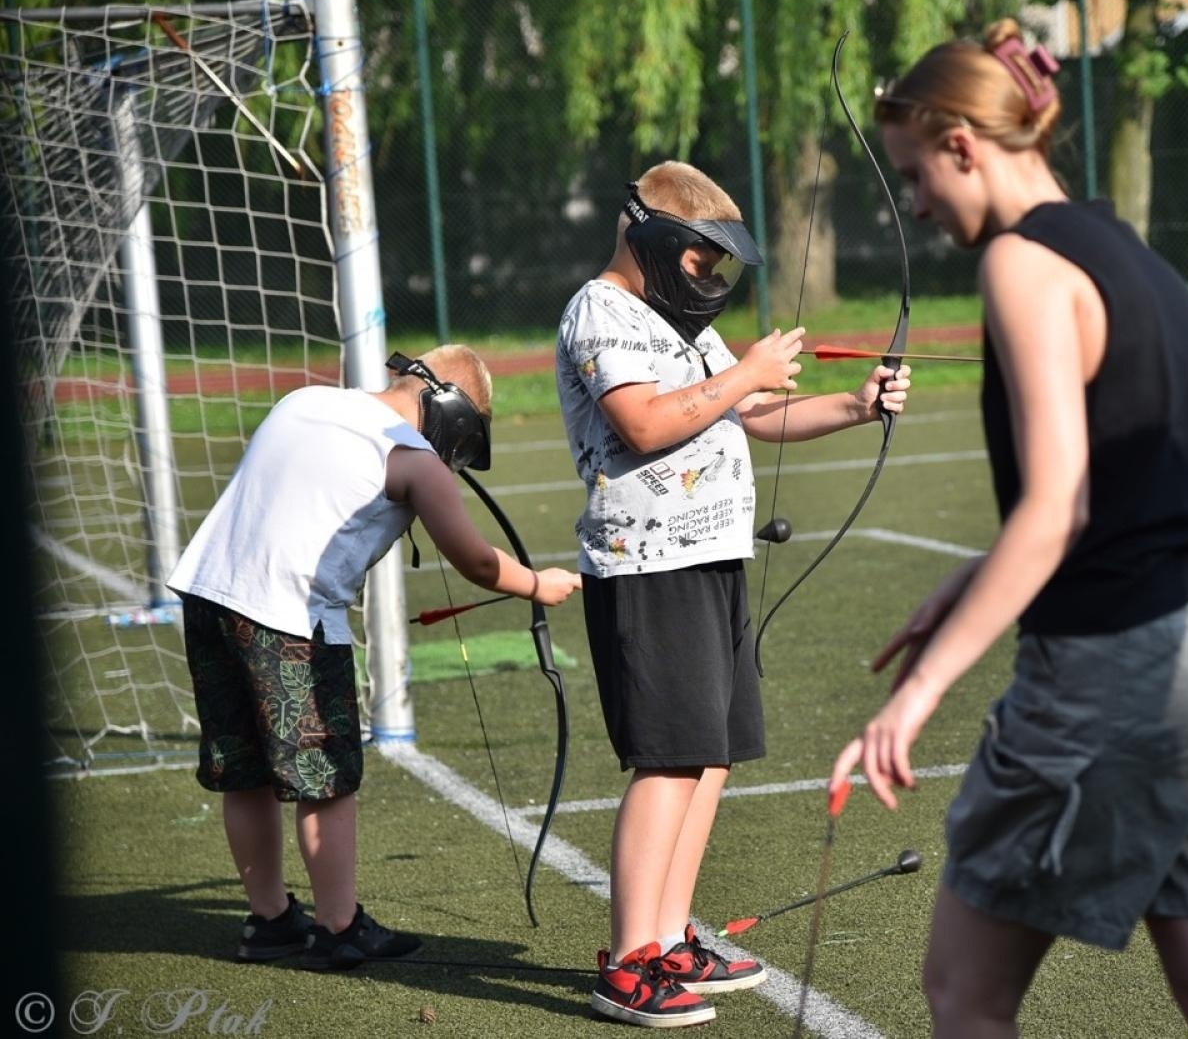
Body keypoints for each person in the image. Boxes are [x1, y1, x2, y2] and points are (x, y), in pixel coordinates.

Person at [828, 20, 1188, 1039]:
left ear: (962, 144)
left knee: (965, 992)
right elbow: (1132, 493)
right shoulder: (1130, 255)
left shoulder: (1021, 262)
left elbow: (1059, 508)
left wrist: (918, 694)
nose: (917, 204)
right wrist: (976, 575)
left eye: (914, 174)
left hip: (1122, 667)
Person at [556, 160, 911, 1028]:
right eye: (700, 260)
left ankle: (669, 937)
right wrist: (747, 374)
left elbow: (753, 414)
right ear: (655, 239)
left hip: (712, 558)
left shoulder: (683, 327)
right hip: (647, 564)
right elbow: (644, 421)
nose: (709, 279)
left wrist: (857, 404)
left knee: (708, 755)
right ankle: (629, 962)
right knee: (669, 757)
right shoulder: (600, 310)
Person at [167, 345, 582, 972]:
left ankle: (270, 922)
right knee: (328, 779)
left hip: (208, 596)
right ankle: (338, 928)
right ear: (454, 412)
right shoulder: (413, 460)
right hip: (289, 618)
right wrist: (537, 584)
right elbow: (475, 560)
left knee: (245, 771)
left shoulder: (306, 400)